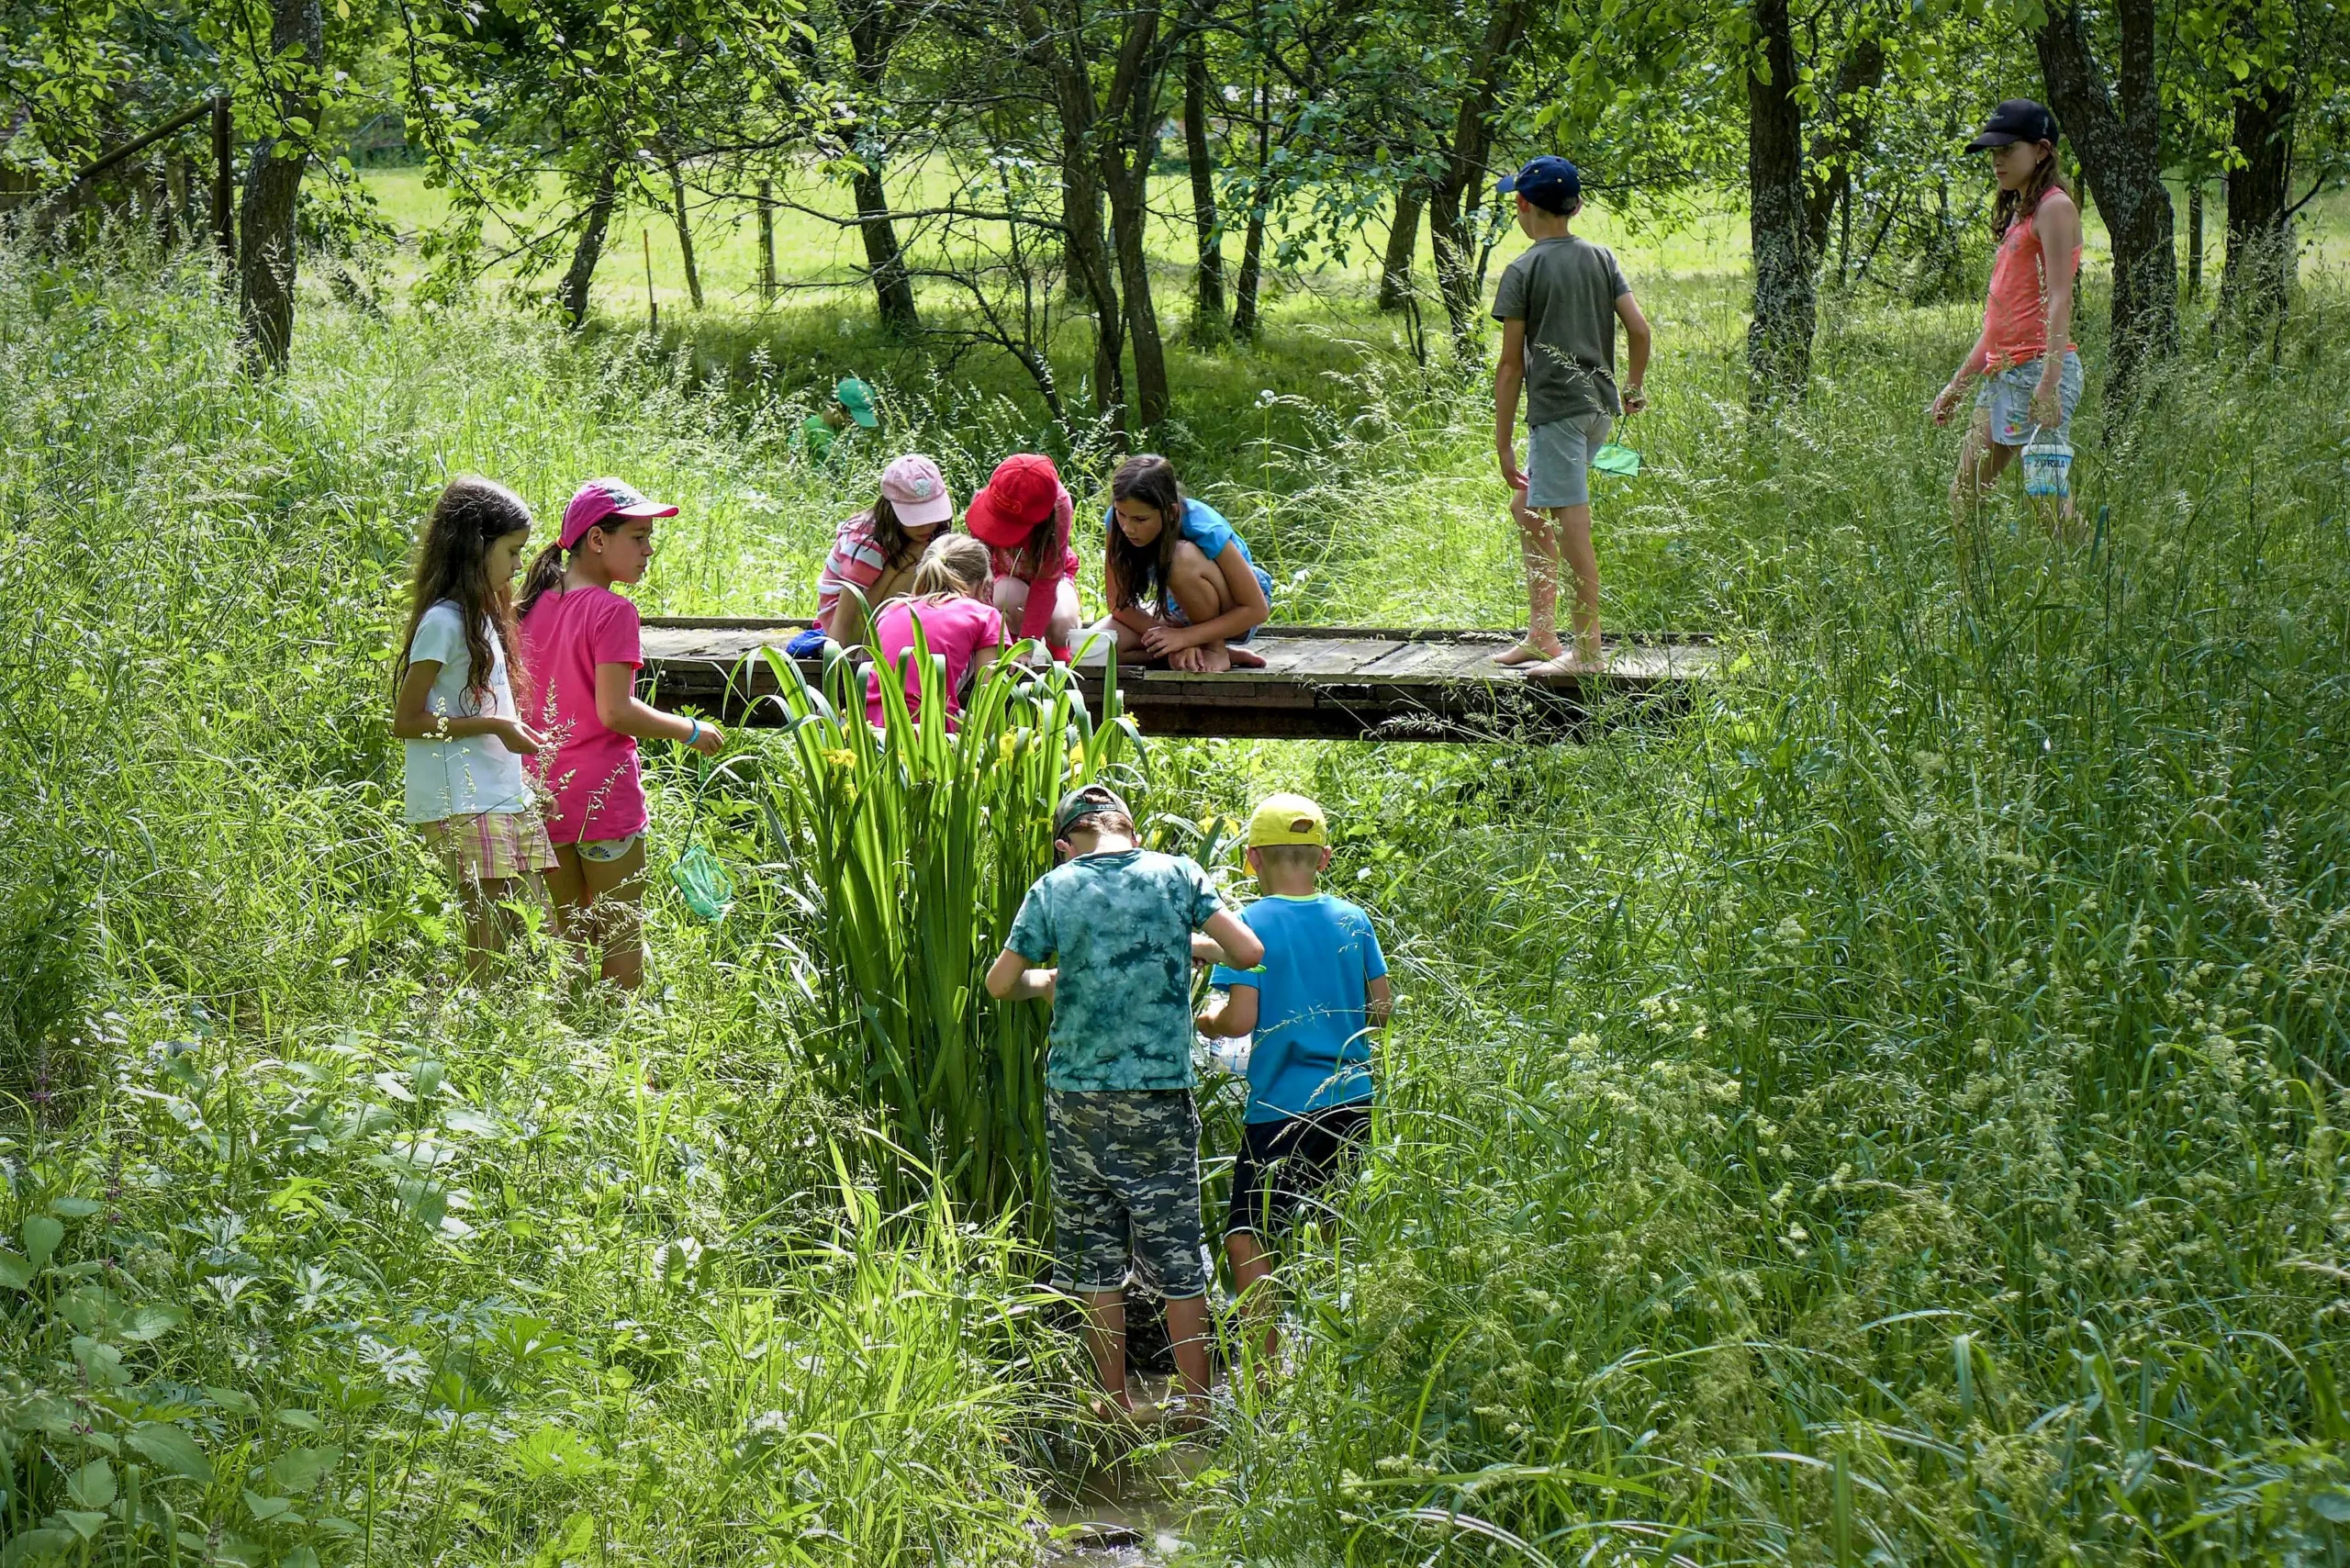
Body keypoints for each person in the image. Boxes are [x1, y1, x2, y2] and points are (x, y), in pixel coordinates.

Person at [984, 785, 1266, 1422]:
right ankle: (1197, 1408)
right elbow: (1248, 951)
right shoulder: (1177, 874)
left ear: (1065, 846)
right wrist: (1185, 943)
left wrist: (1048, 980)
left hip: (1077, 1103)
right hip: (1161, 1099)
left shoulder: (1054, 889)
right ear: (1131, 834)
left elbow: (1001, 983)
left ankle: (1109, 1404)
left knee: (1095, 1260)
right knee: (1176, 1254)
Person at [1194, 793, 1391, 1362]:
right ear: (1324, 857)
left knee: (1247, 1235)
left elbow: (1241, 1019)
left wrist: (1206, 1020)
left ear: (1253, 860)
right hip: (1352, 1099)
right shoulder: (1354, 919)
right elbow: (1381, 1009)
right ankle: (1338, 1364)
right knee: (1334, 1229)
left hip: (1281, 1106)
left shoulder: (1249, 923)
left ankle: (1265, 1378)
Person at [518, 477, 725, 989]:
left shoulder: (532, 603)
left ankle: (567, 1052)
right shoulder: (614, 611)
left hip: (542, 792)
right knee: (621, 939)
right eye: (638, 536)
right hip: (603, 801)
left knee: (565, 941)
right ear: (596, 540)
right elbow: (614, 711)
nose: (649, 549)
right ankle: (621, 1056)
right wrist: (690, 729)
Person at [1491, 154, 1651, 675]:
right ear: (1576, 206)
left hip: (1558, 414)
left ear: (1522, 205)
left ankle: (1586, 652)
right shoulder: (1602, 258)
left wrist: (1504, 442)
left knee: (1570, 526)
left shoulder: (1523, 269)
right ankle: (1543, 636)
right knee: (1527, 507)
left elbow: (1511, 365)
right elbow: (1640, 331)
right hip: (1598, 409)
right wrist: (1632, 388)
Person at [390, 476, 555, 978]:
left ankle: (501, 1024)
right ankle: (476, 1029)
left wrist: (511, 740)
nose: (518, 565)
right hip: (461, 795)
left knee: (529, 916)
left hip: (495, 789)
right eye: (511, 551)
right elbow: (407, 720)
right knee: (488, 932)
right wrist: (494, 726)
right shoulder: (443, 621)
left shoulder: (482, 615)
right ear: (475, 547)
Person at [1930, 99, 2085, 533]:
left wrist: (2049, 383)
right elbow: (1997, 325)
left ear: (2040, 150)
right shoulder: (2023, 214)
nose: (1997, 160)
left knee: (2048, 500)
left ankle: (2097, 584)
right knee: (1964, 493)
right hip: (2004, 375)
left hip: (2038, 372)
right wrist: (1956, 385)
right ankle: (1970, 597)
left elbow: (2059, 299)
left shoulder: (2054, 207)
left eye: (2008, 149)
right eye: (1993, 152)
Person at [1093, 454, 1271, 673]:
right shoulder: (1117, 522)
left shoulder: (1205, 526)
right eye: (1122, 515)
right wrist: (1169, 638)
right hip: (1179, 610)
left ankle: (1214, 649)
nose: (1128, 528)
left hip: (1233, 612)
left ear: (1171, 512)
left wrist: (1184, 636)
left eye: (1140, 520)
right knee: (1098, 647)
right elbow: (1118, 604)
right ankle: (1189, 653)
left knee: (1179, 558)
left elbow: (1256, 610)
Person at [863, 535, 1007, 729]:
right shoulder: (984, 615)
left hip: (872, 732)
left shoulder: (891, 609)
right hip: (926, 735)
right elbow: (989, 707)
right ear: (983, 584)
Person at [816, 454, 957, 649]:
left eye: (931, 514)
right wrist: (837, 665)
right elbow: (846, 615)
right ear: (891, 509)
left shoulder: (913, 538)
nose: (926, 527)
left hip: (874, 613)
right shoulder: (867, 545)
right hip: (849, 624)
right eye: (916, 518)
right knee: (922, 561)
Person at [966, 453, 1081, 662]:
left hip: (1051, 578)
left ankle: (1059, 662)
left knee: (1063, 624)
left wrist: (1028, 644)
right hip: (1005, 576)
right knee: (1004, 597)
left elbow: (1046, 582)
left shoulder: (1058, 506)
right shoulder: (993, 495)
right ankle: (1003, 649)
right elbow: (977, 570)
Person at [800, 375, 880, 462]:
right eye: (851, 419)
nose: (854, 424)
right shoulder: (809, 428)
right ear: (837, 407)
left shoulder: (845, 434)